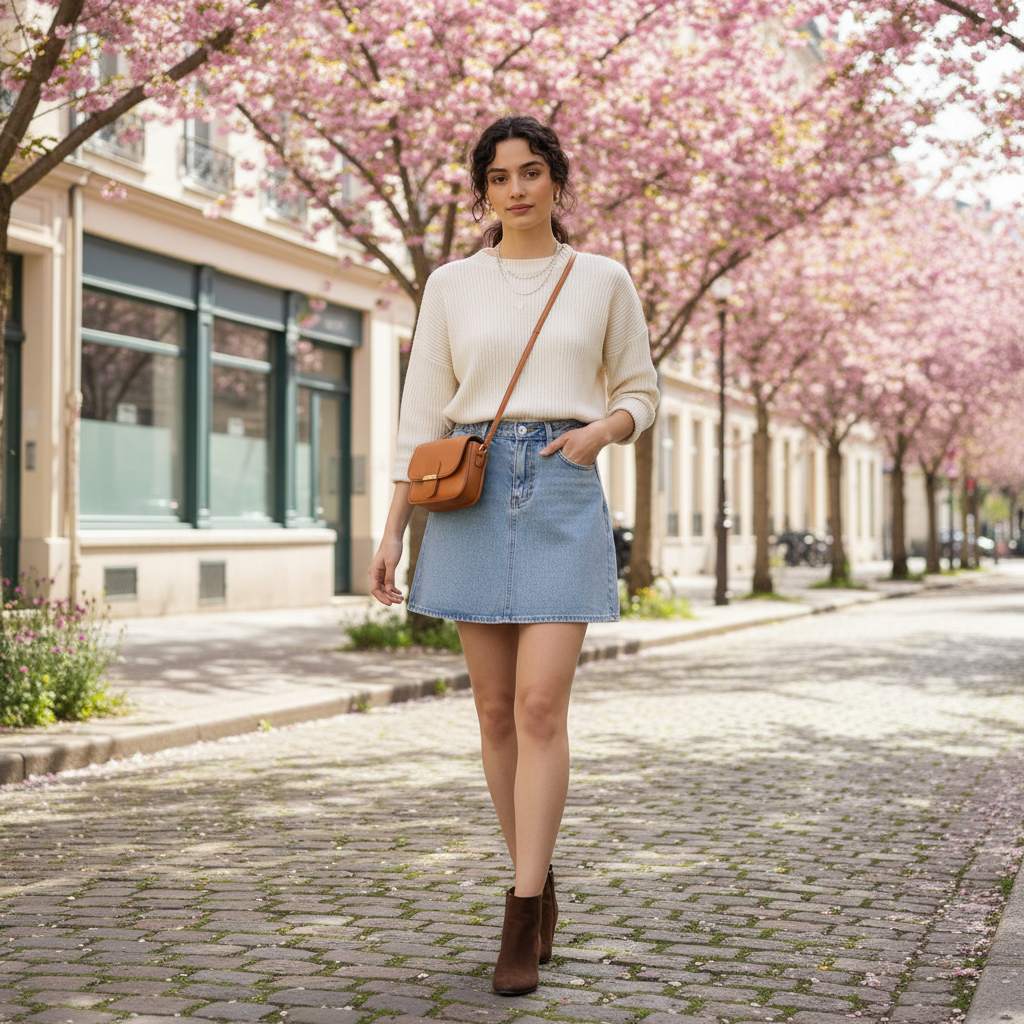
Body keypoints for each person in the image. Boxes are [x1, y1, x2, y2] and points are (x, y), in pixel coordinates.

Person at [368, 115, 658, 996]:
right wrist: (392, 529)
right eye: (499, 177)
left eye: (531, 172)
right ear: (483, 192)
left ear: (557, 181)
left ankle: (522, 913)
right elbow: (422, 415)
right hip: (471, 489)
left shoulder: (602, 278)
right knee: (494, 710)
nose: (517, 189)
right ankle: (536, 869)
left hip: (563, 485)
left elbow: (642, 391)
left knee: (538, 706)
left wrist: (602, 431)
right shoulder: (451, 284)